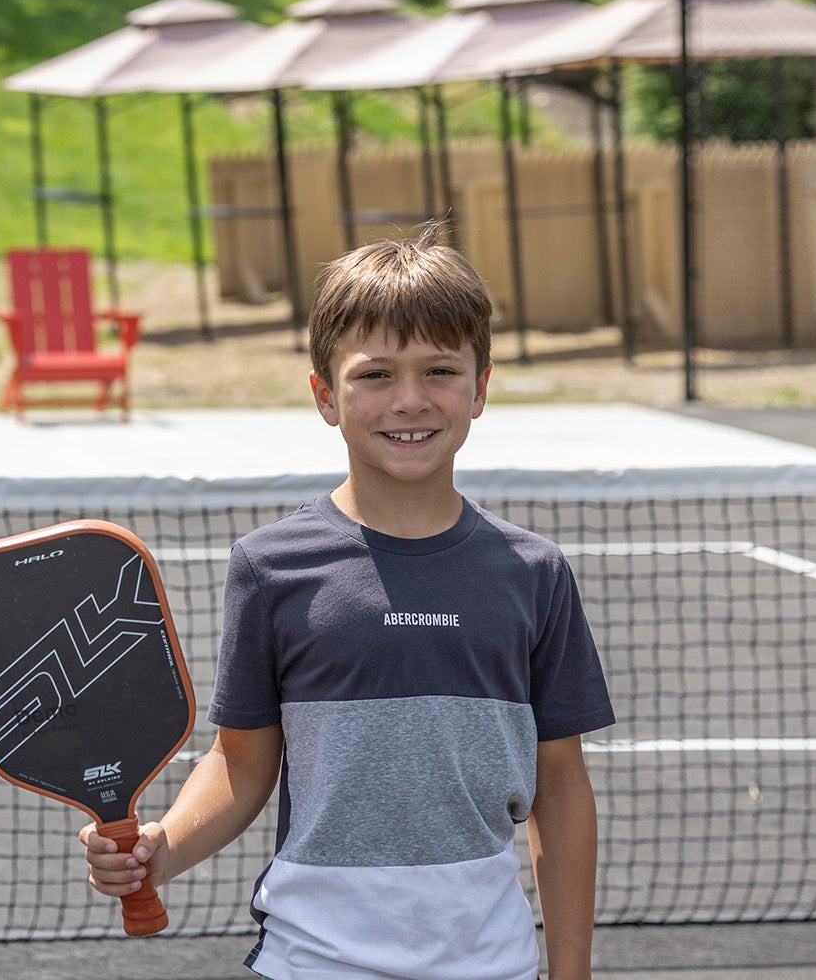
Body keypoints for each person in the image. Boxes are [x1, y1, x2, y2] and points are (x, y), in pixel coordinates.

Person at [83, 235, 612, 980]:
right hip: (311, 963)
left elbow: (560, 787)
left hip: (494, 964)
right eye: (375, 374)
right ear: (326, 396)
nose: (409, 399)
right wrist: (159, 849)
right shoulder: (269, 568)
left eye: (440, 370)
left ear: (481, 387)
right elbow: (241, 764)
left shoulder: (534, 572)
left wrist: (572, 973)